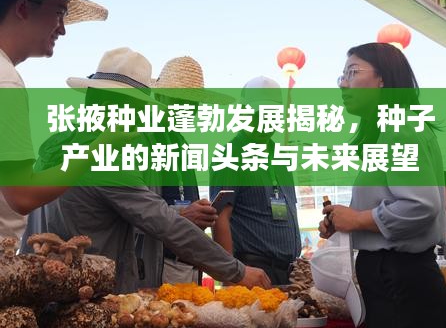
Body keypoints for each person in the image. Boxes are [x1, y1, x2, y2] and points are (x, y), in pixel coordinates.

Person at [36, 47, 271, 293]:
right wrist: (237, 271)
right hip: (84, 292)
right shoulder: (107, 157)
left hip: (46, 285)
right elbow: (162, 221)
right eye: (139, 109)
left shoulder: (59, 143)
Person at [319, 43, 446, 328]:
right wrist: (345, 221)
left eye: (353, 72)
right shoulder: (390, 129)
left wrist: (358, 219)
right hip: (395, 278)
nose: (343, 83)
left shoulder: (400, 128)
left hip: (401, 279)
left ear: (383, 79)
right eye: (342, 75)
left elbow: (420, 205)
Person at [0, 0, 108, 236]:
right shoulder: (6, 80)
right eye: (59, 13)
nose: (62, 29)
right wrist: (100, 147)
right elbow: (23, 195)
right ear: (23, 8)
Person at [146, 56, 235, 285]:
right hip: (156, 265)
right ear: (160, 96)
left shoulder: (181, 142)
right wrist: (183, 216)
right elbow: (135, 211)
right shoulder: (143, 139)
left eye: (193, 103)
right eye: (181, 101)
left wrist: (201, 215)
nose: (188, 109)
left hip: (187, 264)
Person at [210, 76, 301, 286]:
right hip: (252, 272)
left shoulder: (281, 155)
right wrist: (231, 277)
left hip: (289, 272)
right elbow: (220, 218)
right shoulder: (230, 154)